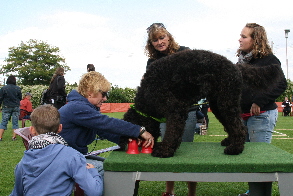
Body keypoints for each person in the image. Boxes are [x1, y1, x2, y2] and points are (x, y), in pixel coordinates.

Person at [58, 71, 154, 181]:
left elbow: (102, 130)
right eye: (103, 94)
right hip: (64, 159)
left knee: (108, 164)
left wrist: (125, 140)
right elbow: (106, 123)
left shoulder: (80, 106)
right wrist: (139, 131)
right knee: (108, 170)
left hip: (72, 155)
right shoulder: (77, 107)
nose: (105, 99)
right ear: (90, 93)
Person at [145, 22, 197, 196]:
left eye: (162, 37)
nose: (160, 42)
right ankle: (169, 192)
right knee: (167, 150)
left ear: (168, 37)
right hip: (165, 115)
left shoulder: (185, 52)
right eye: (155, 40)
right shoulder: (152, 62)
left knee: (187, 153)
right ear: (150, 44)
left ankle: (191, 193)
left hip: (186, 113)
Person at [237, 23, 287, 196]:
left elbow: (281, 84)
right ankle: (254, 192)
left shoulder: (269, 60)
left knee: (259, 159)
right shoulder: (244, 60)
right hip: (245, 116)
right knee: (251, 159)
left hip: (262, 115)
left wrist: (259, 101)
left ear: (255, 39)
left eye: (244, 36)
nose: (240, 39)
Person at [9, 105, 103, 196]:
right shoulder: (72, 156)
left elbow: (17, 193)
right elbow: (94, 192)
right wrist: (93, 172)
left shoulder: (23, 162)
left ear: (32, 130)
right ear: (60, 128)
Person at [0, 75, 22, 141]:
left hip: (7, 106)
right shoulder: (18, 88)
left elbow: (0, 98)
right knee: (15, 122)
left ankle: (0, 137)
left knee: (4, 121)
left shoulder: (3, 88)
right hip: (15, 106)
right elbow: (20, 98)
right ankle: (14, 137)